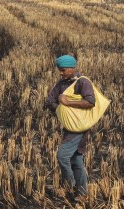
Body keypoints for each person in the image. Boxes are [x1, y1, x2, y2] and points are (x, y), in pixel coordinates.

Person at [44, 55, 95, 198]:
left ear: (73, 68)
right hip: (68, 126)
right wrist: (61, 108)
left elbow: (90, 102)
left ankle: (69, 185)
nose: (61, 73)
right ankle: (83, 194)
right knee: (76, 160)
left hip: (79, 127)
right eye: (59, 70)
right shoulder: (61, 84)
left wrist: (68, 104)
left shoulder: (82, 82)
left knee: (62, 155)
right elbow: (49, 101)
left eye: (63, 70)